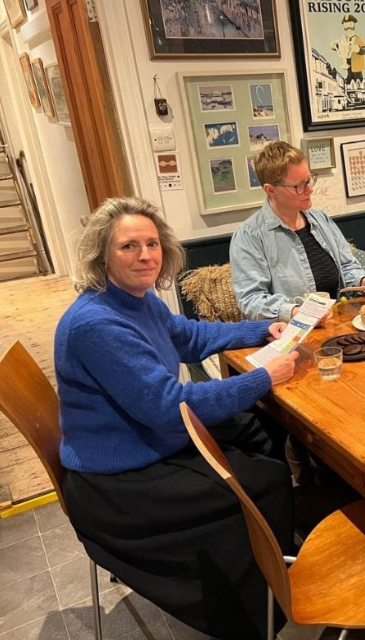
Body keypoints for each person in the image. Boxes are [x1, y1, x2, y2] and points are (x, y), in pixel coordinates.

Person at [55, 198, 299, 640]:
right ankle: (256, 609)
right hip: (119, 480)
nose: (145, 255)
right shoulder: (97, 324)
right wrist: (264, 377)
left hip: (144, 438)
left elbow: (189, 336)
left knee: (253, 428)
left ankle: (269, 562)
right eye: (129, 246)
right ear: (103, 255)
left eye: (152, 244)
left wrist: (262, 329)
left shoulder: (136, 300)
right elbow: (168, 406)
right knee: (267, 479)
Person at [230, 141, 365, 322]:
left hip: (335, 322)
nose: (310, 189)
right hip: (290, 331)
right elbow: (251, 300)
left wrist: (364, 281)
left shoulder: (320, 220)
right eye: (299, 186)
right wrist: (297, 312)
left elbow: (347, 266)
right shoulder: (250, 236)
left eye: (309, 180)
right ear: (270, 190)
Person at [330, 13, 365, 83]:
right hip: (348, 64)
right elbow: (341, 47)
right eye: (346, 24)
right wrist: (334, 46)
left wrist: (358, 49)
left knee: (358, 80)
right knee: (350, 78)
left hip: (357, 65)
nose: (348, 27)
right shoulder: (344, 39)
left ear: (353, 24)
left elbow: (364, 50)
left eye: (350, 24)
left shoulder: (358, 38)